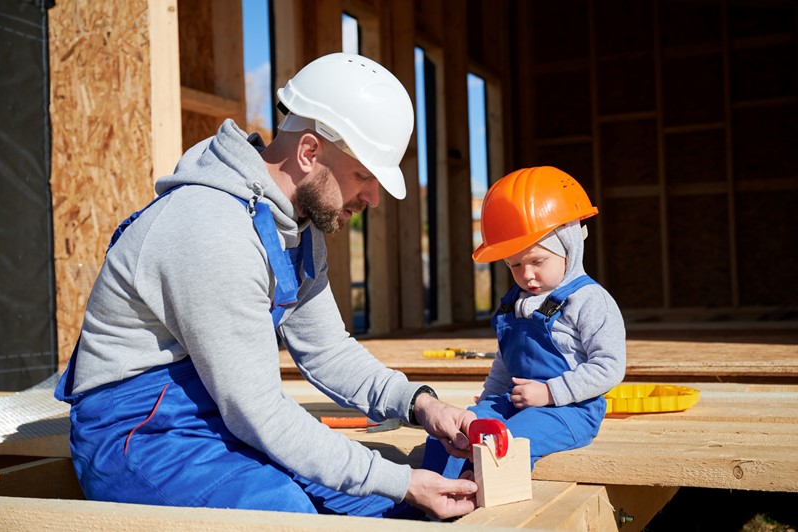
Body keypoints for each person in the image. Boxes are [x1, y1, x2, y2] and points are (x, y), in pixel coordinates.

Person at [54, 52, 478, 519]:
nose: (373, 198)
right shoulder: (212, 229)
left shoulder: (298, 226)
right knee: (282, 513)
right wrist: (401, 481)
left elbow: (327, 351)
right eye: (364, 176)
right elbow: (257, 412)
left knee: (382, 500)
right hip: (139, 437)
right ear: (309, 153)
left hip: (220, 419)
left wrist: (418, 403)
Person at [423, 166, 626, 478]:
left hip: (569, 410)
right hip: (518, 403)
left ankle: (479, 503)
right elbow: (506, 361)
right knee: (453, 433)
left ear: (569, 249)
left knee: (506, 443)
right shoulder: (514, 302)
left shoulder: (590, 300)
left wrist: (549, 393)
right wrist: (491, 399)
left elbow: (609, 366)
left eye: (537, 261)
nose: (527, 274)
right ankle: (428, 496)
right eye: (515, 265)